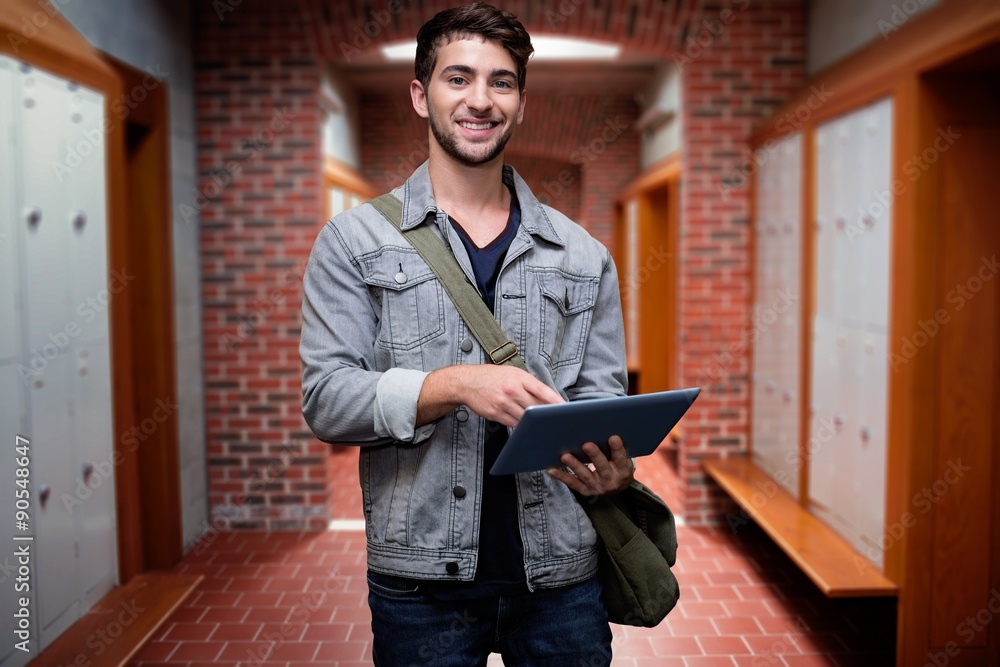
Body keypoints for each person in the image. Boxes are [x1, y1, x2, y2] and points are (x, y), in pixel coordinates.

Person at [300, 3, 633, 664]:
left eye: (501, 82)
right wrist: (455, 384)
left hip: (561, 578)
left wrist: (612, 467)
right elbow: (328, 400)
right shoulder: (354, 242)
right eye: (458, 78)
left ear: (521, 101)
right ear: (422, 95)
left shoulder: (582, 253)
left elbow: (600, 401)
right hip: (420, 586)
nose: (480, 99)